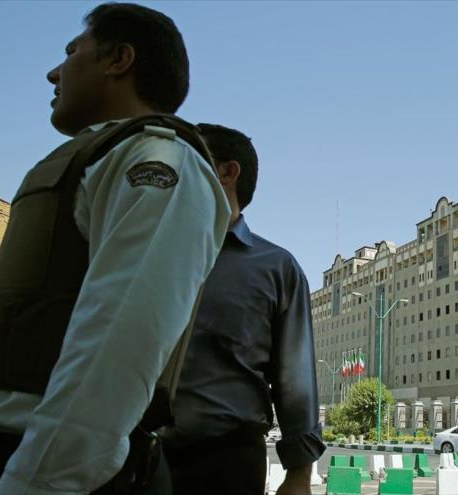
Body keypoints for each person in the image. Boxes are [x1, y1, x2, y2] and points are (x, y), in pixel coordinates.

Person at [0, 3, 230, 494]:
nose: (53, 71)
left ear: (119, 60)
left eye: (71, 51)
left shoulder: (157, 155)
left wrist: (35, 482)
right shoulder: (93, 154)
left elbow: (120, 333)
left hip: (42, 466)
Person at [161, 123, 325, 495]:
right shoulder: (144, 250)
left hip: (224, 464)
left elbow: (294, 378)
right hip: (129, 455)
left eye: (187, 159)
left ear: (226, 172)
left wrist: (299, 475)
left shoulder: (275, 268)